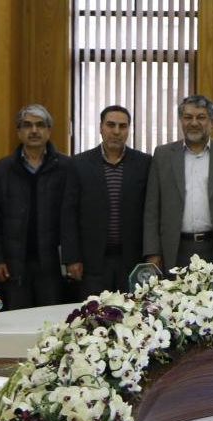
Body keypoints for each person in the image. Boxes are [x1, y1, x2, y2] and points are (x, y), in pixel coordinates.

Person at [143, 95, 213, 271]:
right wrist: (153, 251)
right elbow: (152, 209)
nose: (194, 123)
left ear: (212, 122)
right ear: (181, 121)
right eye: (188, 117)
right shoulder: (163, 155)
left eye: (201, 117)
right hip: (174, 249)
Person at [0, 104, 69, 310]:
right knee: (16, 318)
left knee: (51, 319)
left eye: (40, 125)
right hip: (13, 263)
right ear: (19, 131)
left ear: (49, 130)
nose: (34, 130)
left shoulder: (66, 167)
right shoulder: (2, 169)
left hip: (52, 263)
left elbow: (73, 216)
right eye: (27, 125)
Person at [62, 105, 152, 296]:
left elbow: (152, 211)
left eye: (123, 126)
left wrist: (153, 254)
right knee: (94, 311)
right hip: (92, 261)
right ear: (101, 128)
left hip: (133, 260)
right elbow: (69, 214)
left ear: (128, 129)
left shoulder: (144, 163)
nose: (116, 131)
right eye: (111, 125)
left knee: (132, 311)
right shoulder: (79, 164)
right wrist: (72, 258)